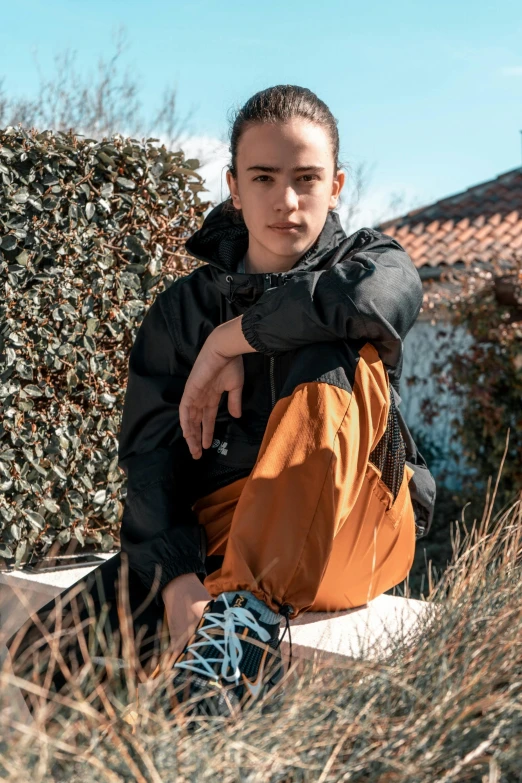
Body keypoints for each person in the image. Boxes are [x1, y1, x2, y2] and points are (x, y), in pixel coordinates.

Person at [6, 84, 436, 720]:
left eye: (307, 178)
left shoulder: (373, 263)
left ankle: (243, 621)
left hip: (355, 522)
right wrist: (180, 581)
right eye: (263, 177)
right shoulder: (183, 309)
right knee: (47, 660)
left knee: (329, 345)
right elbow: (151, 457)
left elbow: (374, 300)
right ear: (234, 188)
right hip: (225, 532)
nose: (285, 201)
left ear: (337, 185)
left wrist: (234, 338)